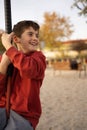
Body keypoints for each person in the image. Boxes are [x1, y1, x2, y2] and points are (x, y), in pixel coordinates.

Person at [0, 20, 46, 130]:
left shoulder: (38, 58)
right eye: (30, 34)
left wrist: (8, 46)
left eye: (37, 35)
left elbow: (28, 69)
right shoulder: (5, 58)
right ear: (16, 39)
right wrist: (3, 66)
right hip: (2, 108)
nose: (35, 38)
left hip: (24, 114)